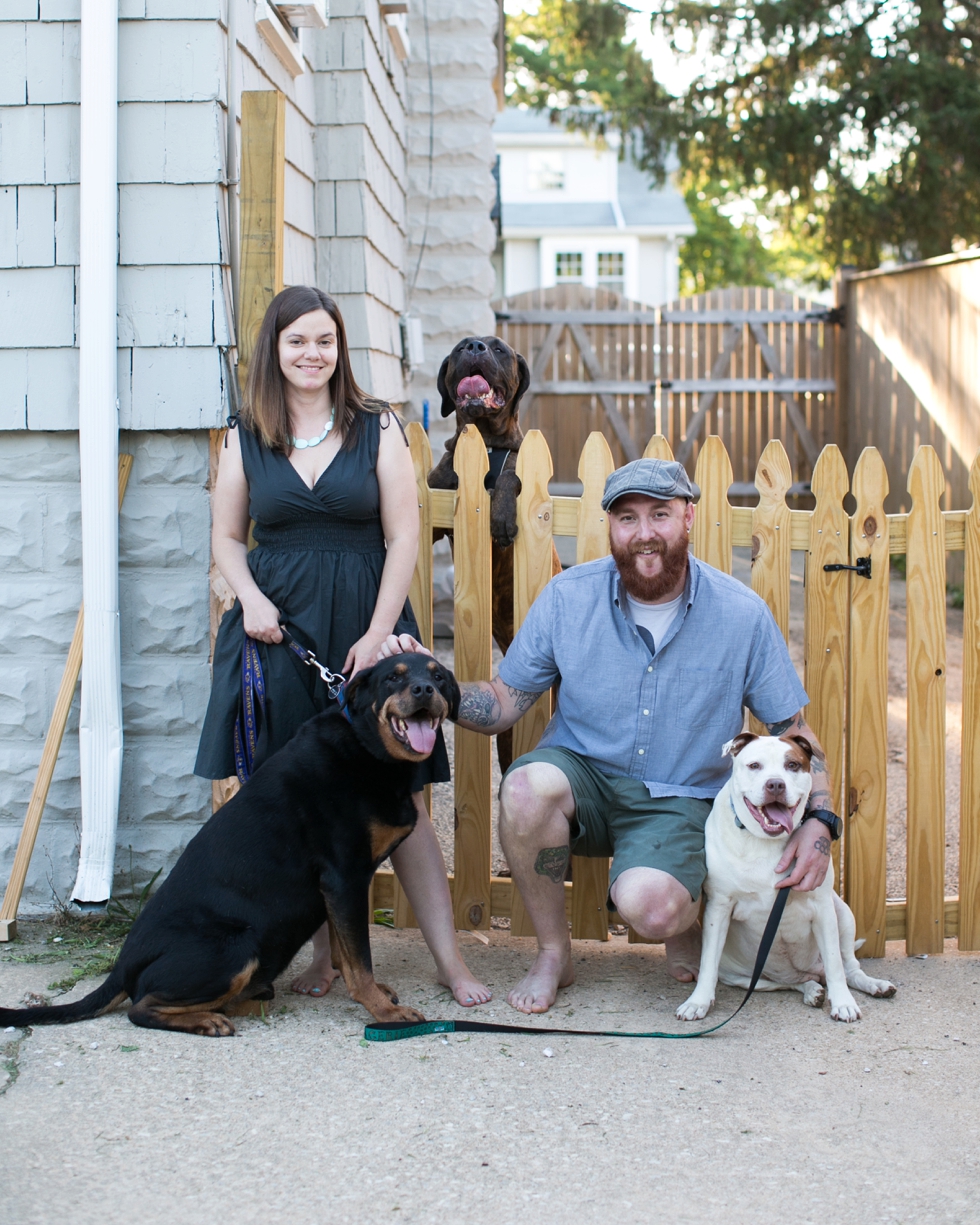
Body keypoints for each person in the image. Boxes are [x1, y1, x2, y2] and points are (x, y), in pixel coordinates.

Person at [379, 458, 839, 1015]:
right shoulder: (568, 598)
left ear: (688, 518)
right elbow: (503, 702)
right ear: (610, 527)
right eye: (627, 518)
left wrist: (819, 820)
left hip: (681, 799)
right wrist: (435, 687)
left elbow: (794, 731)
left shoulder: (741, 615)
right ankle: (554, 954)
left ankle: (682, 912)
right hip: (585, 778)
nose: (644, 533)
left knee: (654, 907)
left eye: (660, 515)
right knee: (525, 789)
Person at [194, 285, 490, 1007]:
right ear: (275, 349)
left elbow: (403, 536)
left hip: (369, 620)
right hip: (278, 630)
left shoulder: (377, 427)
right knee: (301, 797)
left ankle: (451, 963)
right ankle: (326, 958)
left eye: (323, 340)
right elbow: (228, 538)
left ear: (339, 349)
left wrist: (380, 632)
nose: (311, 353)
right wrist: (252, 599)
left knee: (406, 799)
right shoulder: (245, 433)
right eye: (296, 340)